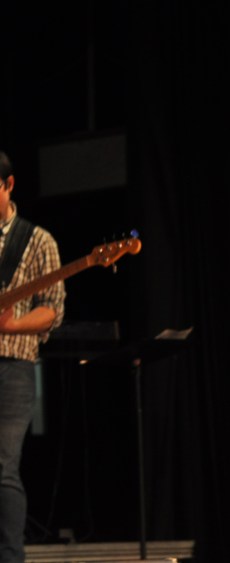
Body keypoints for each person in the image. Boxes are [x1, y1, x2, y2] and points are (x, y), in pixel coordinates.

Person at [0, 151, 65, 563]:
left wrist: (10, 326)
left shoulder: (38, 240)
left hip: (14, 368)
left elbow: (52, 311)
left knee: (3, 466)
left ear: (8, 185)